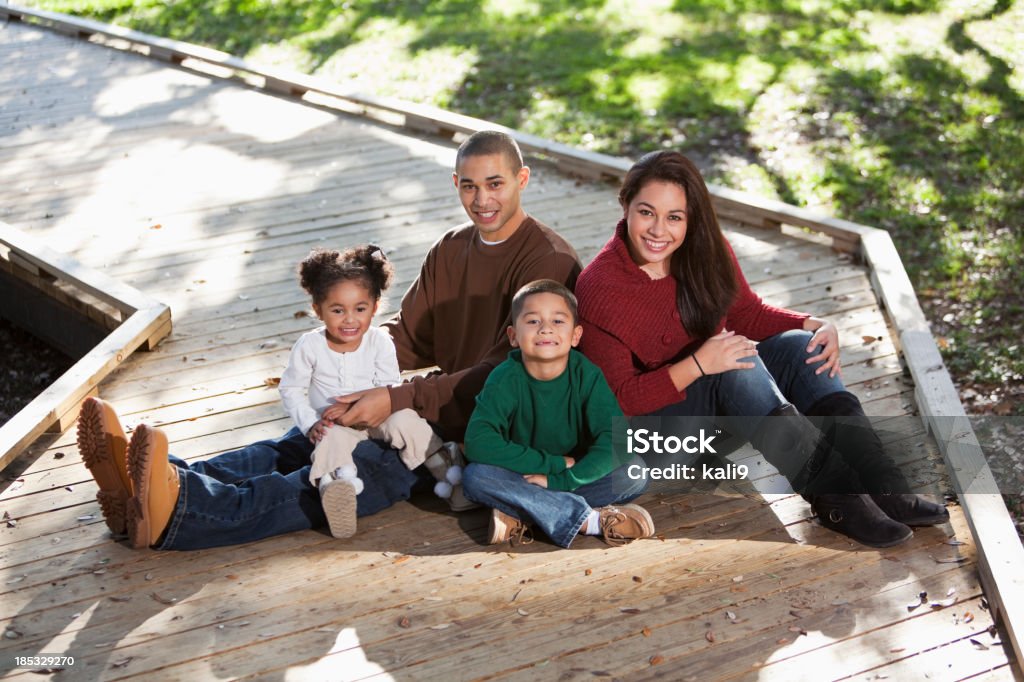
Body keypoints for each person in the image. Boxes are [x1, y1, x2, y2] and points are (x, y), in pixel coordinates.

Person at [77, 130, 582, 550]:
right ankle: (153, 479)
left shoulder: (547, 262)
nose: (482, 199)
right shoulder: (451, 248)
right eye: (469, 186)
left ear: (522, 179)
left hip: (470, 440)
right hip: (423, 404)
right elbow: (407, 336)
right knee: (298, 443)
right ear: (455, 183)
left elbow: (507, 373)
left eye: (495, 184)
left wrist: (394, 397)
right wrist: (345, 350)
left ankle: (180, 510)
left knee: (334, 475)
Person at [574, 150, 948, 548]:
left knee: (802, 347)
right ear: (625, 205)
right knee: (737, 363)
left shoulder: (705, 249)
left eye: (675, 217)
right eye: (646, 212)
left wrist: (813, 323)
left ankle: (885, 487)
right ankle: (836, 501)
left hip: (723, 417)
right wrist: (699, 364)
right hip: (656, 444)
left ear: (691, 218)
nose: (658, 230)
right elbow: (620, 400)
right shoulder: (599, 288)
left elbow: (748, 314)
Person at [280, 244, 457, 540]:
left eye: (360, 309)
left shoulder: (379, 342)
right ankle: (337, 487)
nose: (349, 319)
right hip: (334, 421)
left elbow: (388, 387)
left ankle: (445, 468)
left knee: (407, 422)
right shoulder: (309, 346)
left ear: (375, 307)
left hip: (378, 415)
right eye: (338, 310)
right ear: (318, 311)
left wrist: (363, 406)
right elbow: (292, 389)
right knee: (328, 441)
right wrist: (312, 423)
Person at [462, 280, 654, 548]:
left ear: (576, 336)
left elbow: (616, 440)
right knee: (475, 477)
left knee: (635, 472)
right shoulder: (504, 379)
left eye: (558, 321)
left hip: (575, 475)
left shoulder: (587, 375)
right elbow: (478, 442)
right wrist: (553, 465)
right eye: (532, 321)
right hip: (524, 474)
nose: (546, 328)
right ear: (513, 336)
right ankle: (590, 520)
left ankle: (525, 512)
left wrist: (562, 479)